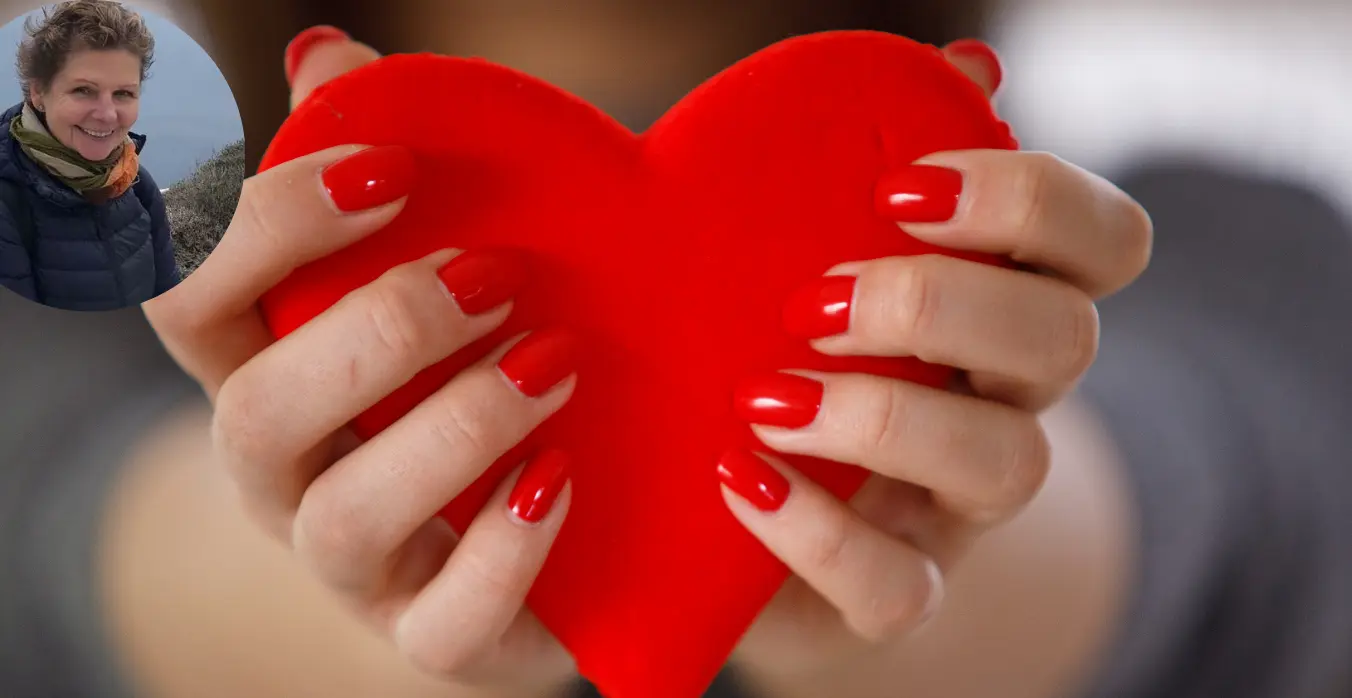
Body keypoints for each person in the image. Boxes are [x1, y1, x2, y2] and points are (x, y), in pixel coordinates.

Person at [1, 3, 1350, 698]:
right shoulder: (61, 272)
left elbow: (1250, 474)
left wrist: (958, 520)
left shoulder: (1232, 236)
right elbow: (53, 511)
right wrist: (332, 566)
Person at [0, 0, 180, 311]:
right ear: (38, 92)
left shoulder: (136, 183)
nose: (107, 115)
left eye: (123, 93)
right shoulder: (8, 200)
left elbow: (171, 306)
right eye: (83, 90)